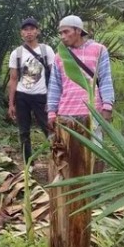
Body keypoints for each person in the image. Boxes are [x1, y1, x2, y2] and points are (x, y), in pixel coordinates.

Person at [47, 15, 115, 148]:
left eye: (66, 32)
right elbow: (55, 86)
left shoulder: (98, 50)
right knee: (68, 156)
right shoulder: (60, 56)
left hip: (92, 112)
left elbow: (105, 78)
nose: (62, 36)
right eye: (60, 33)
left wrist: (107, 106)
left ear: (78, 31)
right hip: (66, 113)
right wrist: (51, 112)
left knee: (93, 154)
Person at [7, 18, 55, 168]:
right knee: (23, 132)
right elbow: (13, 79)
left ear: (37, 31)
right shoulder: (17, 53)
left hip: (42, 96)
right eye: (25, 29)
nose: (29, 32)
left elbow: (54, 76)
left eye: (32, 29)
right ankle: (29, 164)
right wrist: (11, 103)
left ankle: (57, 159)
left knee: (49, 129)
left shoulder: (46, 50)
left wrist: (52, 100)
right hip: (22, 97)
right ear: (21, 33)